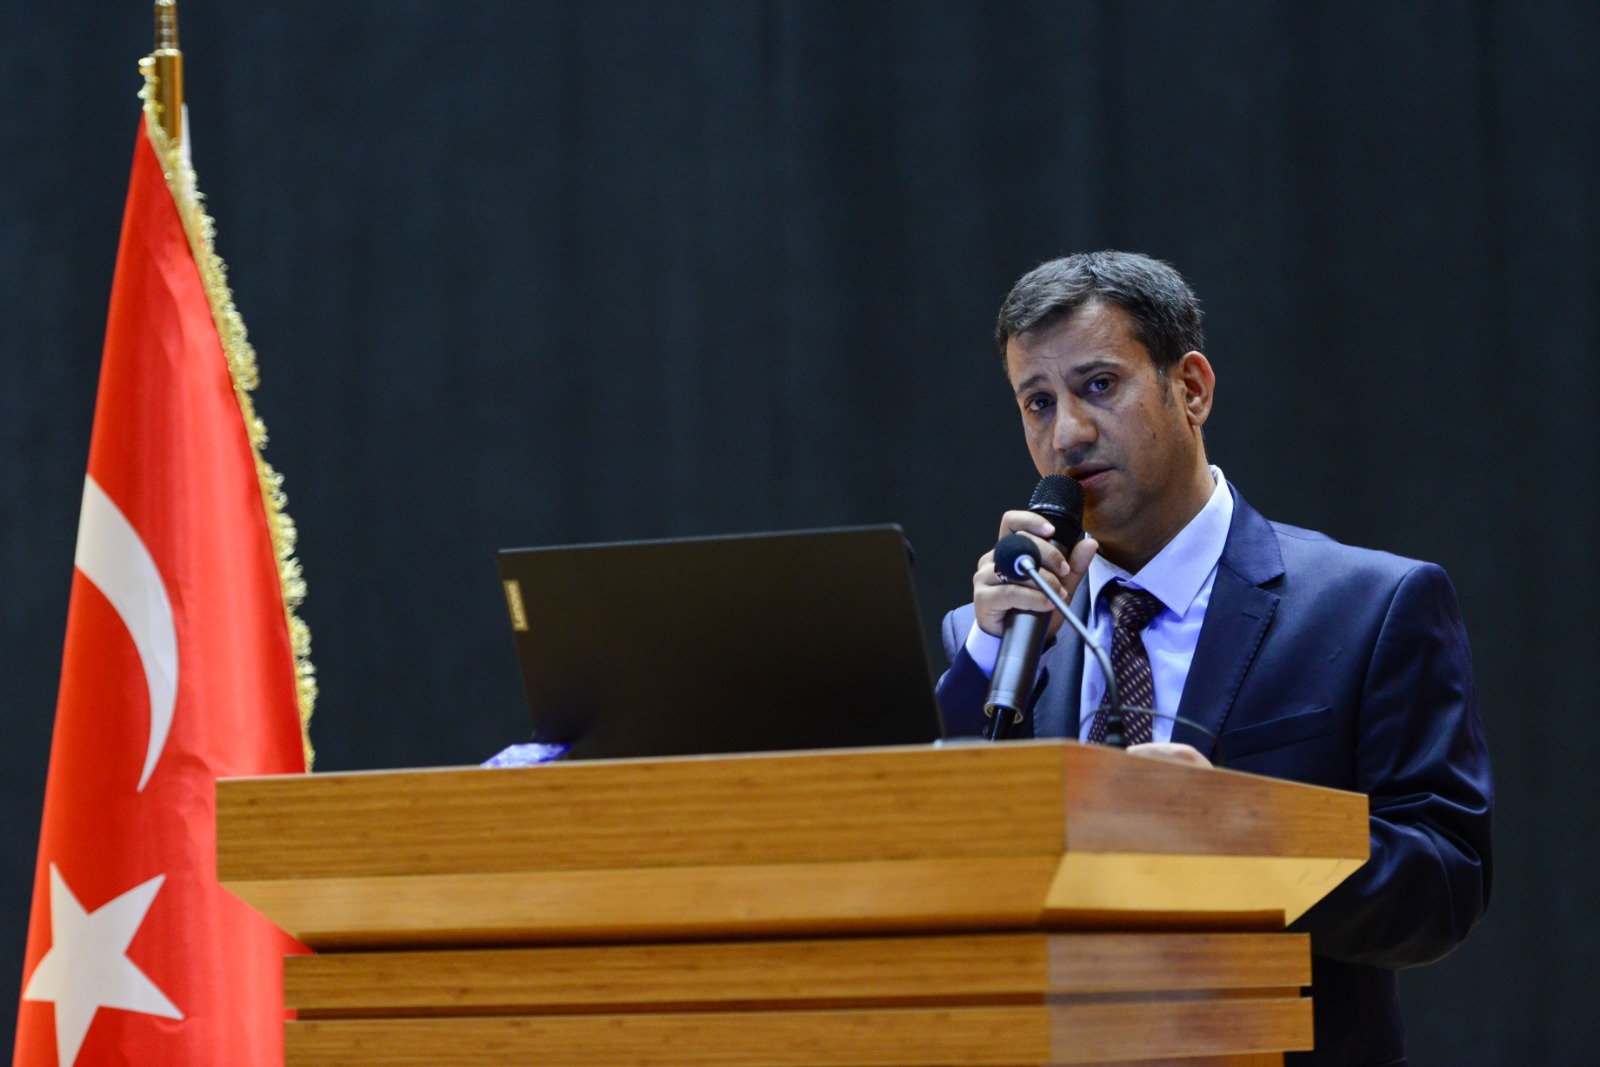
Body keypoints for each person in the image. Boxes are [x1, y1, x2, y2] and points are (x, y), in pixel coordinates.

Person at [935, 252, 1492, 1067]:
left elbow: (1444, 885)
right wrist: (988, 655)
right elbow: (926, 856)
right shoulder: (995, 635)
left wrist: (1240, 834)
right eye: (1038, 401)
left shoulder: (1371, 606)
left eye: (1099, 385)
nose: (1067, 434)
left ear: (1191, 389)